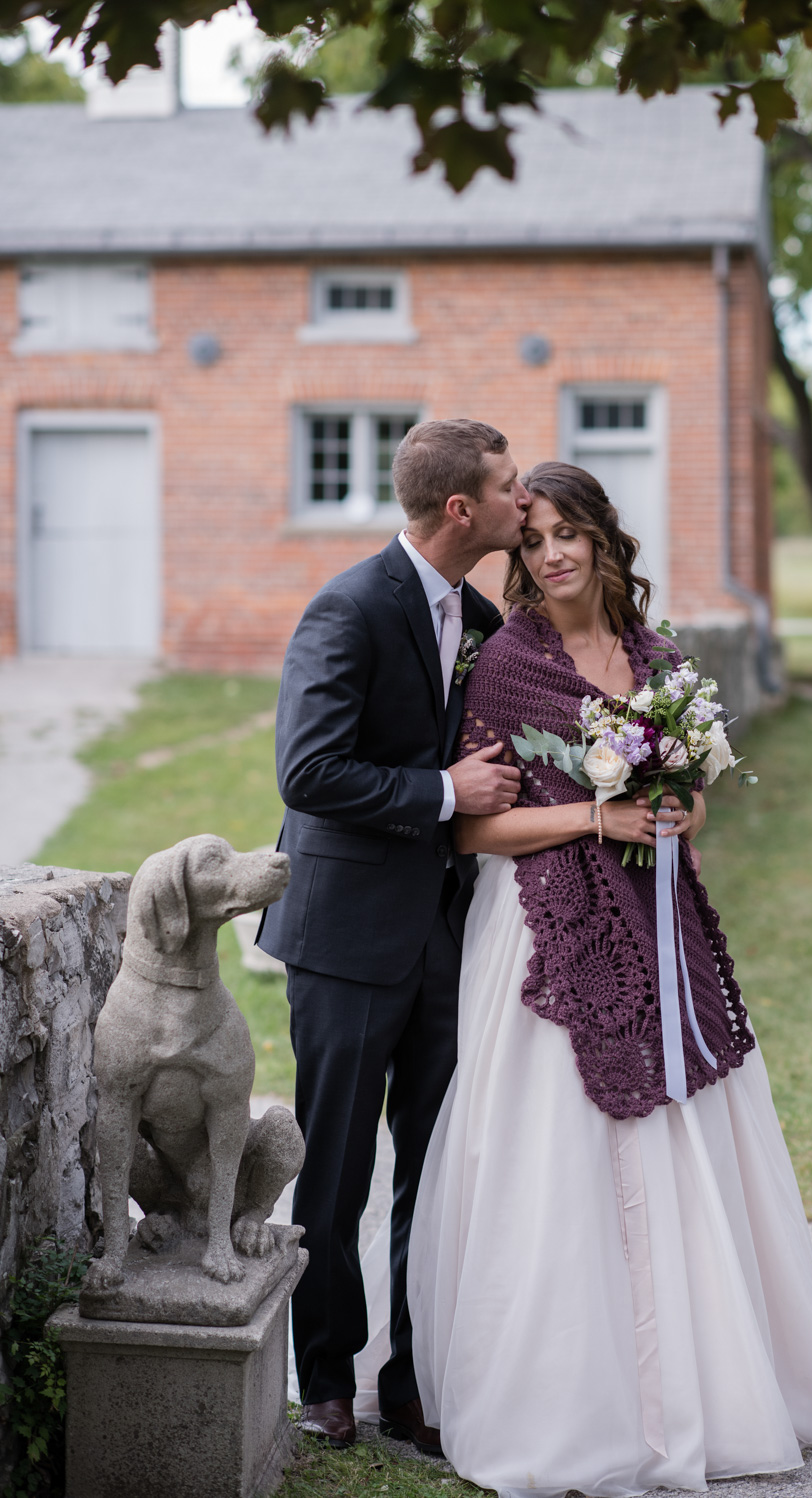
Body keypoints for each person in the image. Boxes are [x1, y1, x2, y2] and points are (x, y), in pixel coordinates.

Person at [401, 461, 812, 1495]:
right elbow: (474, 828)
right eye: (532, 540)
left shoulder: (660, 661)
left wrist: (672, 813)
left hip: (658, 920)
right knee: (556, 1155)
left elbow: (693, 801)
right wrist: (597, 814)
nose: (552, 554)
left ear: (605, 539)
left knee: (683, 1128)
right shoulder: (504, 667)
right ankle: (568, 1393)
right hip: (543, 932)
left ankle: (701, 1376)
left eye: (568, 532)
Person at [257, 419, 530, 1455]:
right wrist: (439, 790)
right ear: (461, 508)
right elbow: (308, 771)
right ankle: (325, 1376)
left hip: (449, 932)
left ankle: (411, 1379)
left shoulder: (488, 615)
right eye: (507, 488)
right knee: (334, 1169)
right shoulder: (350, 605)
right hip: (346, 934)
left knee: (436, 1163)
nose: (521, 502)